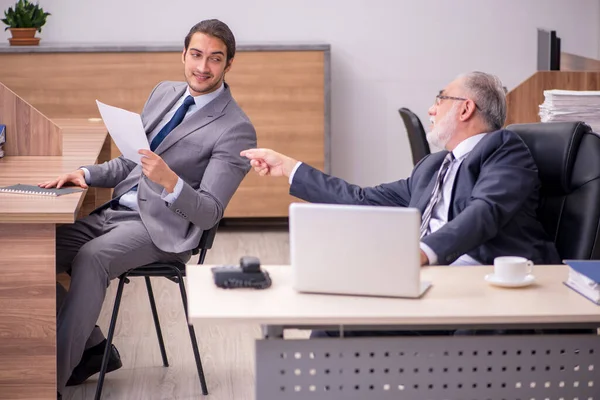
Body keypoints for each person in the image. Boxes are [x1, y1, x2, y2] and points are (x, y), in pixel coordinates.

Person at [39, 19, 257, 398]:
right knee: (30, 256)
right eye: (196, 55)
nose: (203, 67)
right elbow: (131, 160)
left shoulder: (235, 128)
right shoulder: (164, 92)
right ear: (183, 54)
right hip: (116, 213)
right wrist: (85, 174)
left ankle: (47, 386)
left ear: (229, 65)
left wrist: (171, 181)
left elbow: (208, 213)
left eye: (215, 59)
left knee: (92, 259)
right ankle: (92, 348)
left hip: (162, 228)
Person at [241, 71, 560, 267]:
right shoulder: (433, 166)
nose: (431, 109)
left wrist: (420, 254)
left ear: (465, 108)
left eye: (441, 98)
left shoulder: (505, 150)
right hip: (431, 274)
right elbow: (362, 199)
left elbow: (485, 212)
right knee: (334, 319)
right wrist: (289, 167)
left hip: (490, 278)